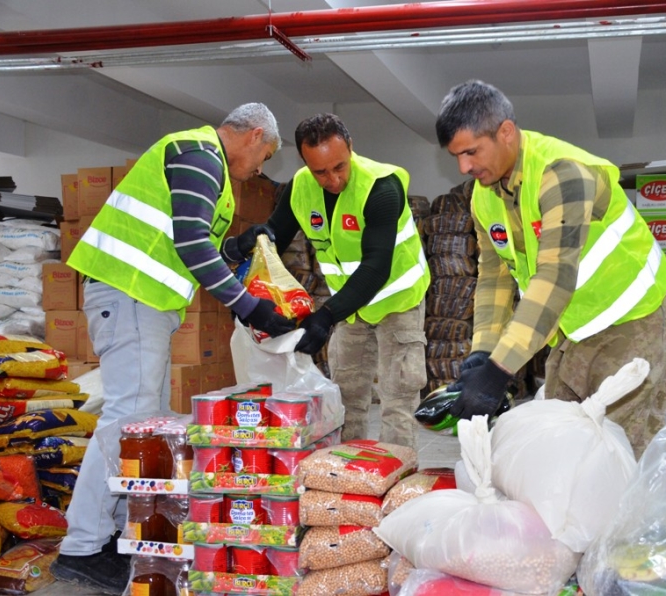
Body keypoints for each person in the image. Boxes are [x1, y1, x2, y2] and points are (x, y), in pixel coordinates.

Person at [53, 103, 295, 594]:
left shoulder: (204, 165)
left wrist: (239, 246)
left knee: (147, 423)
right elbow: (190, 243)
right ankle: (83, 547)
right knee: (127, 421)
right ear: (252, 136)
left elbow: (190, 241)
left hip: (144, 301)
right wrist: (247, 306)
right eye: (264, 157)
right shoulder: (199, 153)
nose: (259, 169)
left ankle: (125, 533)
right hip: (130, 295)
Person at [436, 80, 666, 458]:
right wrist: (483, 351)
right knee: (562, 439)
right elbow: (494, 278)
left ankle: (623, 518)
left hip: (631, 317)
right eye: (456, 157)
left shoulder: (563, 174)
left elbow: (555, 276)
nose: (464, 167)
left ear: (506, 132)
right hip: (572, 326)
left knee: (614, 447)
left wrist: (500, 371)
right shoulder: (485, 196)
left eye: (471, 152)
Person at [263, 113, 429, 449]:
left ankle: (395, 484)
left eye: (339, 166)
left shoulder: (381, 186)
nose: (333, 179)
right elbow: (272, 240)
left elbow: (375, 268)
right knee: (346, 397)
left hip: (397, 302)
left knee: (397, 401)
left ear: (351, 147)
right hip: (351, 310)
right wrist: (250, 283)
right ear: (304, 161)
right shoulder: (301, 187)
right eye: (320, 171)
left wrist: (325, 317)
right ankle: (347, 480)